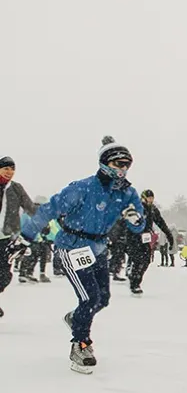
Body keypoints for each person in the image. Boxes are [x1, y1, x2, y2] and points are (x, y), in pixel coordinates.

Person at [19, 137, 144, 373]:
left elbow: (139, 224)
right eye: (118, 163)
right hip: (72, 246)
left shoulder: (128, 193)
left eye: (127, 164)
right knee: (89, 297)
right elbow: (49, 209)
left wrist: (136, 220)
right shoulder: (83, 187)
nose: (123, 169)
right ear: (105, 163)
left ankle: (76, 318)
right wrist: (26, 236)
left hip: (98, 249)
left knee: (103, 298)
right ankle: (81, 344)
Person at [0, 156, 39, 317]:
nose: (10, 172)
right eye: (6, 168)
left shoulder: (16, 188)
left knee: (4, 274)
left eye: (12, 169)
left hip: (5, 237)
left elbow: (29, 207)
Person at [126, 189, 175, 295]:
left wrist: (169, 236)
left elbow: (161, 223)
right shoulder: (137, 207)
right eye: (148, 198)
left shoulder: (153, 209)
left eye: (152, 198)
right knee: (138, 260)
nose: (150, 200)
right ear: (143, 197)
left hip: (145, 238)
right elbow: (126, 221)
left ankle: (136, 278)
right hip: (134, 237)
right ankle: (134, 283)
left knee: (146, 260)